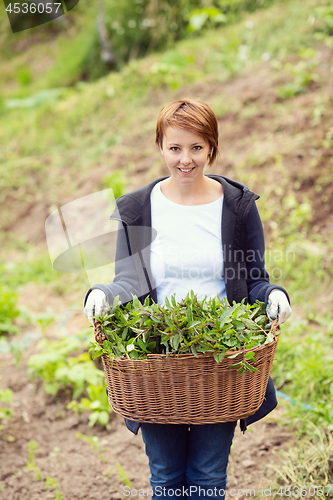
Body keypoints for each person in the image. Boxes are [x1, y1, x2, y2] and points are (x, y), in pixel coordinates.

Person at [83, 98, 292, 500]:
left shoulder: (237, 206)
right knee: (165, 476)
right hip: (158, 359)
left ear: (212, 148)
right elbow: (127, 278)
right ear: (160, 146)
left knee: (208, 474)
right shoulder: (138, 209)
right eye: (175, 148)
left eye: (196, 148)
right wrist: (103, 294)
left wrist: (274, 295)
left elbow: (253, 280)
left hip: (221, 360)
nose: (185, 160)